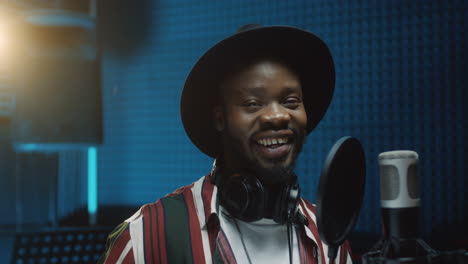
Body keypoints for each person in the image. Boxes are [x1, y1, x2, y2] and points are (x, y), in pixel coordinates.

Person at [99, 24, 352, 264]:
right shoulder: (146, 237)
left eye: (290, 101)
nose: (278, 116)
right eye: (253, 104)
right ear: (220, 118)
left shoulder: (330, 239)